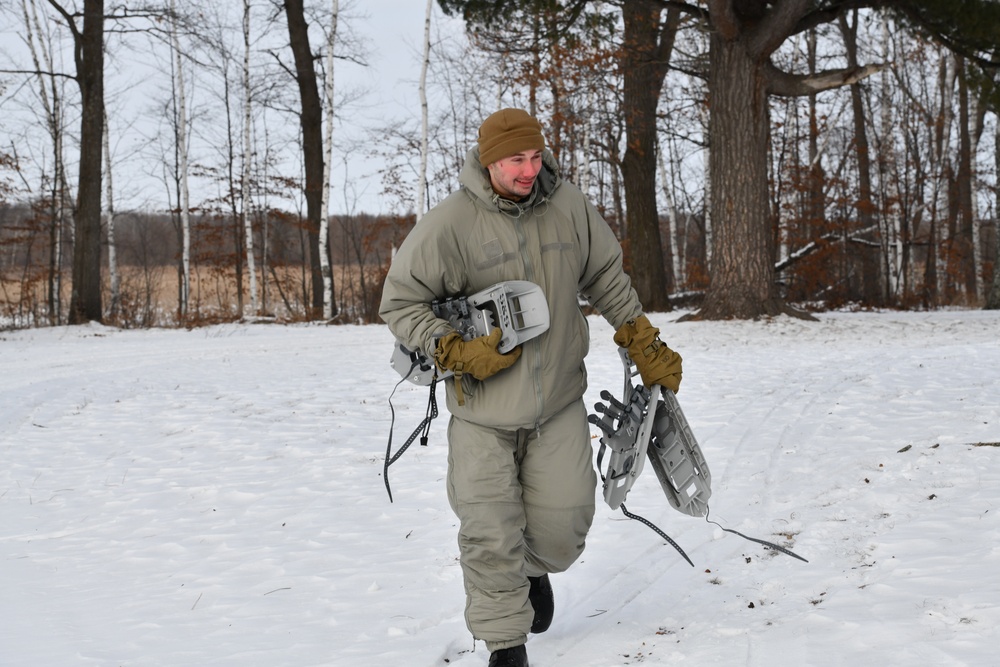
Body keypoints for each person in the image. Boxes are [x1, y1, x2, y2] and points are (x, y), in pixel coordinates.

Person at [379, 108, 682, 667]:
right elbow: (400, 303)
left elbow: (607, 277)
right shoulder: (451, 223)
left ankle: (533, 570)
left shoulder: (568, 206)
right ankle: (505, 644)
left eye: (535, 156)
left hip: (559, 403)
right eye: (516, 159)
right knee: (490, 530)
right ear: (490, 160)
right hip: (481, 411)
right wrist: (453, 348)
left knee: (565, 528)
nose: (528, 169)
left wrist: (642, 339)